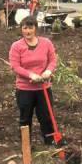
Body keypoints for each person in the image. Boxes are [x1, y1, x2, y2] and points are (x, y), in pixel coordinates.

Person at [9, 16, 57, 145]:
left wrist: (48, 71)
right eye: (25, 28)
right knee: (25, 118)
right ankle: (26, 146)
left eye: (30, 28)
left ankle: (50, 142)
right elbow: (15, 66)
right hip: (25, 89)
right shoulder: (16, 46)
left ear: (35, 28)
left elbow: (52, 60)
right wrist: (31, 75)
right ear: (21, 29)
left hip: (43, 87)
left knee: (46, 117)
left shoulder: (46, 43)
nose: (27, 31)